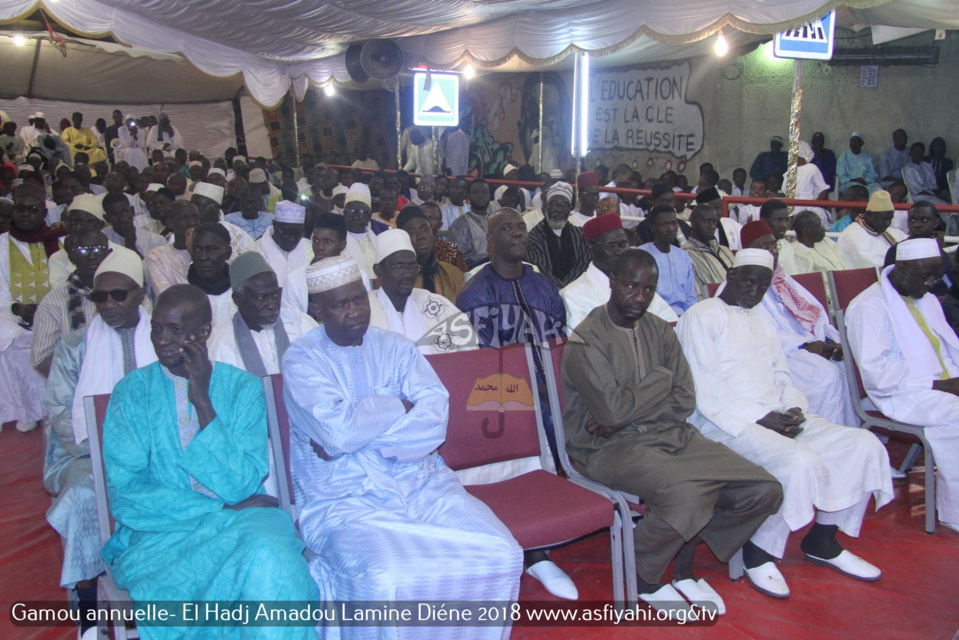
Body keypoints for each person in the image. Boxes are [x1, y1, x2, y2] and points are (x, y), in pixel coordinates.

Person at [284, 255, 523, 627]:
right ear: (317, 310)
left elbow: (434, 419)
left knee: (503, 553)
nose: (356, 311)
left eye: (360, 299)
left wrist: (358, 435)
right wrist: (398, 405)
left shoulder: (396, 347)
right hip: (346, 500)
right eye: (341, 304)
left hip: (422, 484)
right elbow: (337, 432)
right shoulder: (301, 359)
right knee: (386, 578)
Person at [562, 249, 782, 616]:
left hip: (671, 433)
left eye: (649, 289)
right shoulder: (586, 339)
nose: (640, 297)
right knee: (688, 497)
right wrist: (660, 379)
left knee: (763, 488)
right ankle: (642, 573)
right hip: (605, 447)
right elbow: (610, 411)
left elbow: (685, 398)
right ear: (612, 282)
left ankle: (683, 551)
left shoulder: (659, 330)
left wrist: (632, 409)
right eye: (631, 285)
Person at [102, 284, 317, 639]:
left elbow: (243, 484)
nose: (162, 339)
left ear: (203, 332)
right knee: (259, 559)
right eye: (157, 327)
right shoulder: (131, 393)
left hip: (246, 524)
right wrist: (219, 508)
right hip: (163, 539)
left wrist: (202, 401)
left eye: (175, 329)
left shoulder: (243, 389)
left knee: (271, 562)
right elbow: (126, 493)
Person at [677, 249, 892, 598]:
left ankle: (824, 541)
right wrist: (761, 418)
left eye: (762, 286)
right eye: (748, 282)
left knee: (861, 445)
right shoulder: (700, 316)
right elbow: (705, 390)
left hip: (775, 416)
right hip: (725, 425)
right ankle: (758, 553)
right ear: (730, 276)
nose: (754, 292)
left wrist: (793, 408)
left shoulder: (762, 317)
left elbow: (782, 373)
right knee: (798, 460)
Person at [41, 249, 152, 637]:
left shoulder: (163, 337)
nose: (107, 304)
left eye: (118, 295)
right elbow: (59, 413)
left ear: (141, 294)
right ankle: (89, 615)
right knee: (86, 496)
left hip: (157, 451)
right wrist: (111, 456)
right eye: (99, 297)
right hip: (88, 453)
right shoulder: (75, 347)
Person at [846, 238, 959, 532]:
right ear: (903, 268)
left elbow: (946, 348)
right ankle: (954, 512)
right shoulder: (869, 306)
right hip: (902, 393)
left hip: (940, 383)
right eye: (926, 276)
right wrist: (942, 385)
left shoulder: (927, 299)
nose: (933, 284)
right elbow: (878, 376)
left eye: (936, 276)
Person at [739, 221, 857, 427]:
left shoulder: (783, 279)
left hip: (810, 346)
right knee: (826, 376)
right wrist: (804, 346)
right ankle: (824, 436)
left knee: (848, 365)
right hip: (781, 354)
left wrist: (827, 341)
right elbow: (756, 332)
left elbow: (816, 314)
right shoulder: (741, 286)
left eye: (773, 246)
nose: (771, 252)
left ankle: (851, 432)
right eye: (764, 247)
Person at [0, 182, 66, 431]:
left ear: (44, 213)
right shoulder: (1, 245)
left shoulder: (59, 241)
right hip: (16, 317)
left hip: (57, 315)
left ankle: (54, 407)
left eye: (33, 209)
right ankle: (30, 408)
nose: (26, 214)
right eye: (20, 209)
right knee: (11, 339)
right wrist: (17, 309)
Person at [208, 251, 316, 375]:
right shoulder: (222, 343)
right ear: (238, 299)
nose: (272, 304)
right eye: (261, 297)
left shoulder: (299, 322)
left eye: (275, 295)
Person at [561, 215, 677, 329]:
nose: (620, 251)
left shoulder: (638, 284)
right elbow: (581, 341)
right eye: (612, 246)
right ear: (590, 249)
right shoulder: (573, 294)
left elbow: (671, 322)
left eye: (624, 245)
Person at [367, 229, 471, 355]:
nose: (407, 274)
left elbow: (468, 347)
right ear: (379, 271)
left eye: (412, 266)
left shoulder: (437, 305)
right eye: (399, 266)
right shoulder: (366, 312)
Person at [30, 229, 112, 376]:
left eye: (98, 249)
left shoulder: (128, 293)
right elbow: (41, 358)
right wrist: (83, 378)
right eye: (82, 251)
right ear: (72, 257)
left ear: (109, 254)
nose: (92, 256)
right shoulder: (54, 301)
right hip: (76, 386)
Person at [525, 182, 589, 288]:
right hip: (546, 293)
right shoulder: (534, 237)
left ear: (569, 209)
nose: (559, 209)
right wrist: (561, 290)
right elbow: (540, 270)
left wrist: (567, 290)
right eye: (554, 204)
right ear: (546, 207)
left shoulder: (580, 235)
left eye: (564, 205)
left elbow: (583, 265)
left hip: (577, 292)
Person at [396, 206, 464, 302]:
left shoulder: (453, 274)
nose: (420, 236)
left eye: (424, 229)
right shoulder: (395, 278)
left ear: (433, 233)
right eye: (412, 232)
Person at [639, 205, 698, 315]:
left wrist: (690, 317)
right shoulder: (641, 255)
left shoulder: (683, 256)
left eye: (673, 223)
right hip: (655, 316)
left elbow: (690, 296)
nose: (670, 228)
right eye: (665, 224)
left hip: (683, 316)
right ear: (653, 228)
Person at [838, 189, 906, 269]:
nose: (888, 223)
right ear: (869, 215)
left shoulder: (893, 232)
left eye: (890, 219)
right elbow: (872, 266)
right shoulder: (851, 236)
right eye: (883, 219)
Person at [144, 200, 198, 296]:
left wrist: (195, 251)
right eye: (185, 218)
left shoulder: (211, 250)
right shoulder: (156, 256)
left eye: (195, 217)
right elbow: (166, 296)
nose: (192, 222)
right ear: (170, 223)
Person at [255, 200, 311, 291]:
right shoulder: (255, 251)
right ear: (275, 226)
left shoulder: (311, 249)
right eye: (286, 234)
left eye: (297, 233)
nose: (292, 239)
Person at [188, 223, 236, 327]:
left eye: (211, 249)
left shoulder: (240, 288)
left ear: (228, 253)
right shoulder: (182, 291)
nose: (203, 257)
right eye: (197, 249)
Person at [683, 204, 734, 300]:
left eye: (715, 222)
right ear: (693, 222)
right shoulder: (685, 254)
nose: (712, 226)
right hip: (709, 306)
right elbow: (695, 292)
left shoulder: (725, 250)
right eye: (706, 221)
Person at [102, 192, 166, 259]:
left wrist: (131, 246)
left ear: (132, 211)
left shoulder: (155, 240)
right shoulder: (102, 239)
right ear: (107, 218)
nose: (121, 219)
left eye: (124, 212)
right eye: (114, 215)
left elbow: (153, 268)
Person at [449, 179, 494, 268]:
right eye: (475, 193)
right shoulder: (459, 224)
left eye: (484, 192)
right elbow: (459, 257)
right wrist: (488, 259)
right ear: (468, 196)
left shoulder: (496, 221)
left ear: (490, 195)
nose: (480, 196)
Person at [757, 199, 799, 275]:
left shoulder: (785, 244)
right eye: (778, 220)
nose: (784, 225)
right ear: (764, 221)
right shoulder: (758, 248)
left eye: (786, 220)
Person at [902, 142, 950, 206]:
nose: (918, 154)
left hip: (931, 194)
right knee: (944, 205)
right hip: (919, 196)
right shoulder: (908, 169)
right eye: (916, 152)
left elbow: (933, 183)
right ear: (911, 153)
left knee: (950, 202)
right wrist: (935, 195)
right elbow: (917, 190)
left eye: (921, 152)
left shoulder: (927, 165)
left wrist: (938, 194)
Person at [794, 141, 831, 224]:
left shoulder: (811, 168)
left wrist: (813, 206)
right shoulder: (791, 172)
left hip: (808, 207)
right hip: (792, 206)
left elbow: (823, 190)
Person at [836, 132, 881, 196]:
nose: (853, 143)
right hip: (849, 184)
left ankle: (870, 206)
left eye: (856, 141)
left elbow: (873, 173)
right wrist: (852, 180)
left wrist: (865, 180)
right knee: (855, 189)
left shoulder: (869, 156)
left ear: (861, 143)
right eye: (851, 141)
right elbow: (841, 175)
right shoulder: (843, 157)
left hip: (866, 184)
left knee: (877, 187)